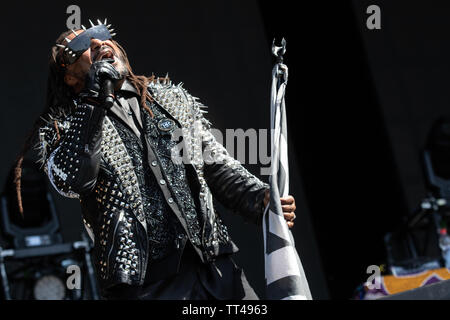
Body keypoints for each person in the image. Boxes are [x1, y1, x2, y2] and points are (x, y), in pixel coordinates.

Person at [14, 19, 297, 300]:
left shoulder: (170, 99)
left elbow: (216, 166)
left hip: (216, 267)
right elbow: (74, 181)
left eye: (101, 34)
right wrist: (94, 100)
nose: (100, 43)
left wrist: (259, 198)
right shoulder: (63, 128)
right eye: (82, 46)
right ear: (70, 76)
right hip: (147, 285)